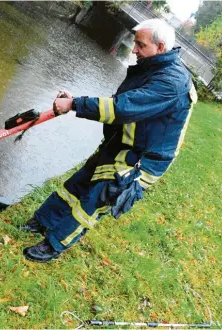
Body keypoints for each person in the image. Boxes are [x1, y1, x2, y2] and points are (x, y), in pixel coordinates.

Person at [22, 19, 198, 262]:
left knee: (93, 203)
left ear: (160, 47)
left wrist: (74, 104)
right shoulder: (151, 67)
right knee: (77, 184)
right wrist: (80, 103)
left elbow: (123, 109)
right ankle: (42, 222)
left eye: (140, 45)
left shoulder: (172, 82)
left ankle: (52, 245)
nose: (134, 49)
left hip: (141, 160)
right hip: (122, 144)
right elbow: (120, 103)